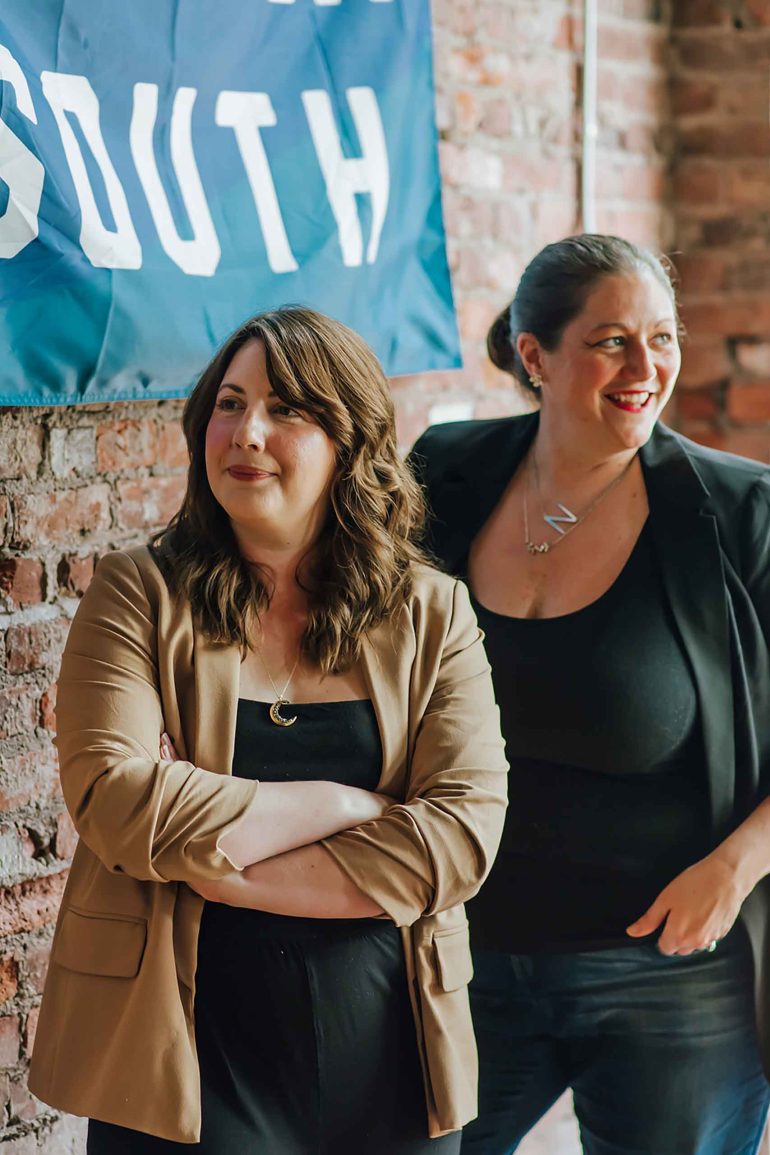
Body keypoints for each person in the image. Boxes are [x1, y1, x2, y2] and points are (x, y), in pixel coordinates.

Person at [28, 306, 508, 1153]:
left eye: (287, 409)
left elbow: (462, 838)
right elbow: (115, 801)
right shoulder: (139, 592)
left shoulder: (432, 612)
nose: (246, 431)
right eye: (229, 403)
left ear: (350, 441)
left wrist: (215, 862)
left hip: (394, 1053)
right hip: (187, 1057)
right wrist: (347, 802)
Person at [410, 234, 770, 1155]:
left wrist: (735, 868)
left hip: (672, 976)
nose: (646, 367)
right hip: (461, 957)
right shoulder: (443, 478)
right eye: (612, 340)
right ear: (535, 355)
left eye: (662, 337)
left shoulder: (742, 514)